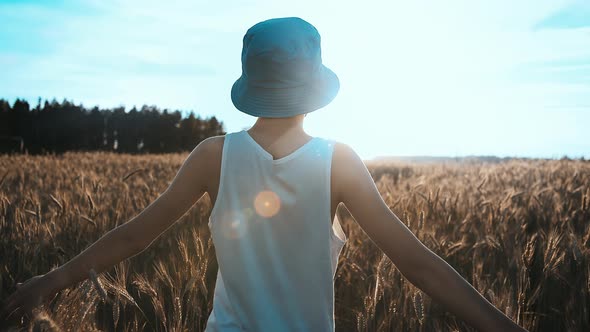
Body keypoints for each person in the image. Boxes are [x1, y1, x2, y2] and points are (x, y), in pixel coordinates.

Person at [1, 17, 528, 332]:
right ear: (314, 88)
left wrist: (51, 281)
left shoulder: (214, 154)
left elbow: (135, 234)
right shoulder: (337, 160)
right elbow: (417, 262)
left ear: (251, 81)